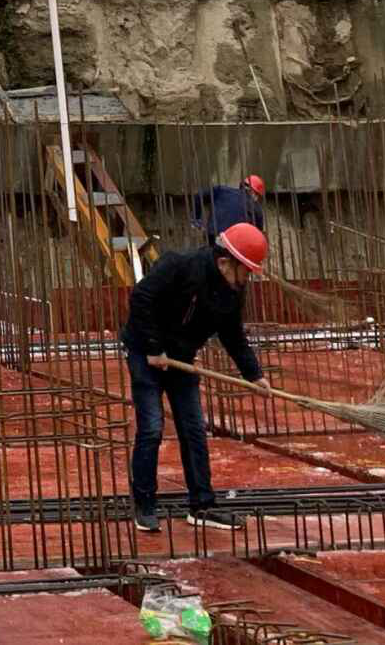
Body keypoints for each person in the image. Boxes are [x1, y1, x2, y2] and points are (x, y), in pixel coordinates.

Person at [121, 222, 272, 535]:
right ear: (225, 263)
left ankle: (202, 506)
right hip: (146, 352)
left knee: (193, 430)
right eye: (246, 271)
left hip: (181, 359)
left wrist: (254, 375)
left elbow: (233, 335)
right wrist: (154, 348)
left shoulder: (232, 292)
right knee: (151, 427)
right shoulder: (180, 266)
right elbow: (141, 299)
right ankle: (145, 505)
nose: (247, 278)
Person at [191, 173, 266, 244]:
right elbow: (257, 236)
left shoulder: (222, 190)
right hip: (233, 243)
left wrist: (196, 219)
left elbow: (198, 196)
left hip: (212, 234)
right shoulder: (256, 208)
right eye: (258, 197)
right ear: (254, 193)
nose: (256, 199)